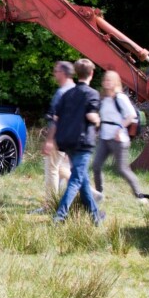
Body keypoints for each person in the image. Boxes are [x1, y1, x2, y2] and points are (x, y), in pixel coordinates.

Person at [43, 58, 104, 225]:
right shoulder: (92, 93)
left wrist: (50, 140)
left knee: (81, 178)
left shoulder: (68, 93)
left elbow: (56, 118)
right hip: (83, 143)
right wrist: (98, 120)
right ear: (91, 73)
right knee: (76, 180)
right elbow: (90, 115)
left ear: (76, 73)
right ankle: (60, 215)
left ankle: (95, 215)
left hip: (67, 142)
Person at [92, 70, 149, 204]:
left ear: (116, 82)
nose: (107, 83)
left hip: (119, 139)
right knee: (96, 166)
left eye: (110, 80)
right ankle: (99, 194)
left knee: (122, 169)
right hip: (104, 138)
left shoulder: (120, 98)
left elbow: (131, 115)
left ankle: (139, 195)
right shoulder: (104, 99)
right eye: (105, 80)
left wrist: (119, 129)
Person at [33, 61, 74, 213]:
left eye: (56, 71)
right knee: (61, 168)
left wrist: (50, 140)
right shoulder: (75, 90)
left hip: (59, 136)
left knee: (51, 168)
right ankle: (90, 193)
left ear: (63, 73)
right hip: (71, 137)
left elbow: (57, 119)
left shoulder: (62, 92)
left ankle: (49, 205)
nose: (54, 74)